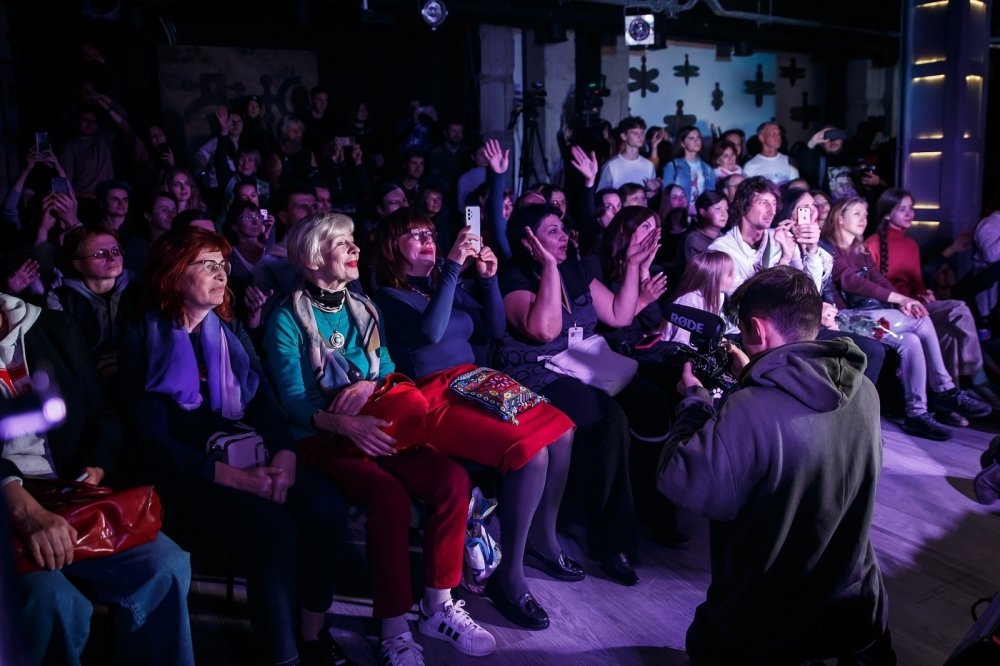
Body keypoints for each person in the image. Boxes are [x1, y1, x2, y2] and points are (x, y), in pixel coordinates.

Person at [264, 213, 496, 665]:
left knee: (450, 480)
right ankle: (393, 628)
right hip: (320, 436)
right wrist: (342, 422)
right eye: (342, 244)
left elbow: (387, 368)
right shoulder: (286, 318)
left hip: (375, 421)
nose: (355, 250)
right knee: (387, 495)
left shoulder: (363, 305)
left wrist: (369, 387)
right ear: (313, 258)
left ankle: (438, 605)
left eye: (354, 242)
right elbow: (291, 401)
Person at [119, 228, 351, 666]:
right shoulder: (141, 335)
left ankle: (313, 635)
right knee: (274, 526)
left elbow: (264, 403)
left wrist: (284, 456)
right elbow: (152, 439)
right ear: (173, 274)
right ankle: (282, 657)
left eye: (222, 264)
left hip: (250, 458)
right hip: (182, 475)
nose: (220, 273)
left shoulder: (228, 329)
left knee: (325, 506)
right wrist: (234, 478)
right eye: (206, 264)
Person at [656, 266, 895, 666]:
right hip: (859, 609)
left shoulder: (749, 409)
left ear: (755, 329)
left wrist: (696, 402)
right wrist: (751, 376)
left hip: (769, 625)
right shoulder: (863, 388)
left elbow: (679, 478)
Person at [372, 208, 577, 630]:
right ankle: (509, 575)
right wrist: (449, 268)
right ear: (393, 249)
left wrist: (486, 280)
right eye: (414, 234)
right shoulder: (388, 297)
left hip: (475, 380)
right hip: (432, 397)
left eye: (430, 231)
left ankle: (543, 537)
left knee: (564, 432)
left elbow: (493, 330)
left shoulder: (441, 286)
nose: (427, 238)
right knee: (530, 455)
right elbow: (428, 334)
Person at [1, 291, 194, 666]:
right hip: (10, 502)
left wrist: (95, 466)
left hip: (67, 490)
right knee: (51, 600)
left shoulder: (52, 328)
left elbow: (101, 417)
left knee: (164, 565)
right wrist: (25, 511)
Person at [497, 204, 663, 586]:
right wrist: (550, 270)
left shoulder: (578, 269)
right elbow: (543, 330)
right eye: (552, 230)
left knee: (651, 400)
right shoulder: (515, 277)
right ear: (529, 240)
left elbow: (620, 315)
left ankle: (655, 515)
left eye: (563, 228)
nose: (564, 236)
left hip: (583, 364)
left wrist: (635, 265)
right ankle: (611, 542)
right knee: (610, 419)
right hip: (539, 374)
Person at [822, 197, 991, 440]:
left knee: (910, 340)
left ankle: (917, 414)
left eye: (866, 213)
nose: (864, 218)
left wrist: (905, 298)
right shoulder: (828, 247)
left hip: (869, 316)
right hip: (845, 318)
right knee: (921, 321)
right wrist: (901, 300)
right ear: (840, 217)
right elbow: (851, 281)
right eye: (857, 213)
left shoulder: (860, 250)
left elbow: (879, 280)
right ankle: (945, 389)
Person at [866, 189, 988, 391]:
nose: (910, 213)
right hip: (893, 309)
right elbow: (872, 287)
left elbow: (917, 285)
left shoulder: (910, 244)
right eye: (902, 209)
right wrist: (905, 299)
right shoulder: (873, 243)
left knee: (953, 325)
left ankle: (952, 394)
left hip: (916, 305)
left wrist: (924, 294)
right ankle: (976, 376)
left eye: (911, 208)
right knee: (958, 309)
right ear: (887, 214)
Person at [708, 176, 828, 294]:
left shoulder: (782, 238)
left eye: (774, 203)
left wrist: (812, 251)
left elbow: (810, 292)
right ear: (744, 205)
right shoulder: (721, 249)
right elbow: (745, 300)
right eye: (764, 203)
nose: (772, 211)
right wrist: (784, 261)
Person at [661, 126, 716, 217]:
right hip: (679, 214)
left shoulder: (707, 168)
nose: (696, 141)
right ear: (682, 143)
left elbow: (711, 194)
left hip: (700, 214)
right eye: (691, 138)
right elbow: (667, 194)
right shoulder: (672, 166)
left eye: (698, 137)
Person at [595, 116, 657, 191]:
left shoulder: (649, 165)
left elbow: (652, 194)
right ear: (624, 136)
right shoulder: (611, 165)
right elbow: (601, 194)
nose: (640, 136)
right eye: (635, 133)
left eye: (642, 133)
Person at [742, 122, 800, 187]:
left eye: (779, 134)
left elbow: (796, 190)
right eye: (773, 134)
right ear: (762, 138)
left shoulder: (789, 161)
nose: (778, 137)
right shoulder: (750, 166)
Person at [683, 191, 729, 260]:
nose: (724, 214)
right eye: (718, 208)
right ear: (703, 212)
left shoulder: (726, 238)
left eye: (726, 210)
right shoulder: (695, 240)